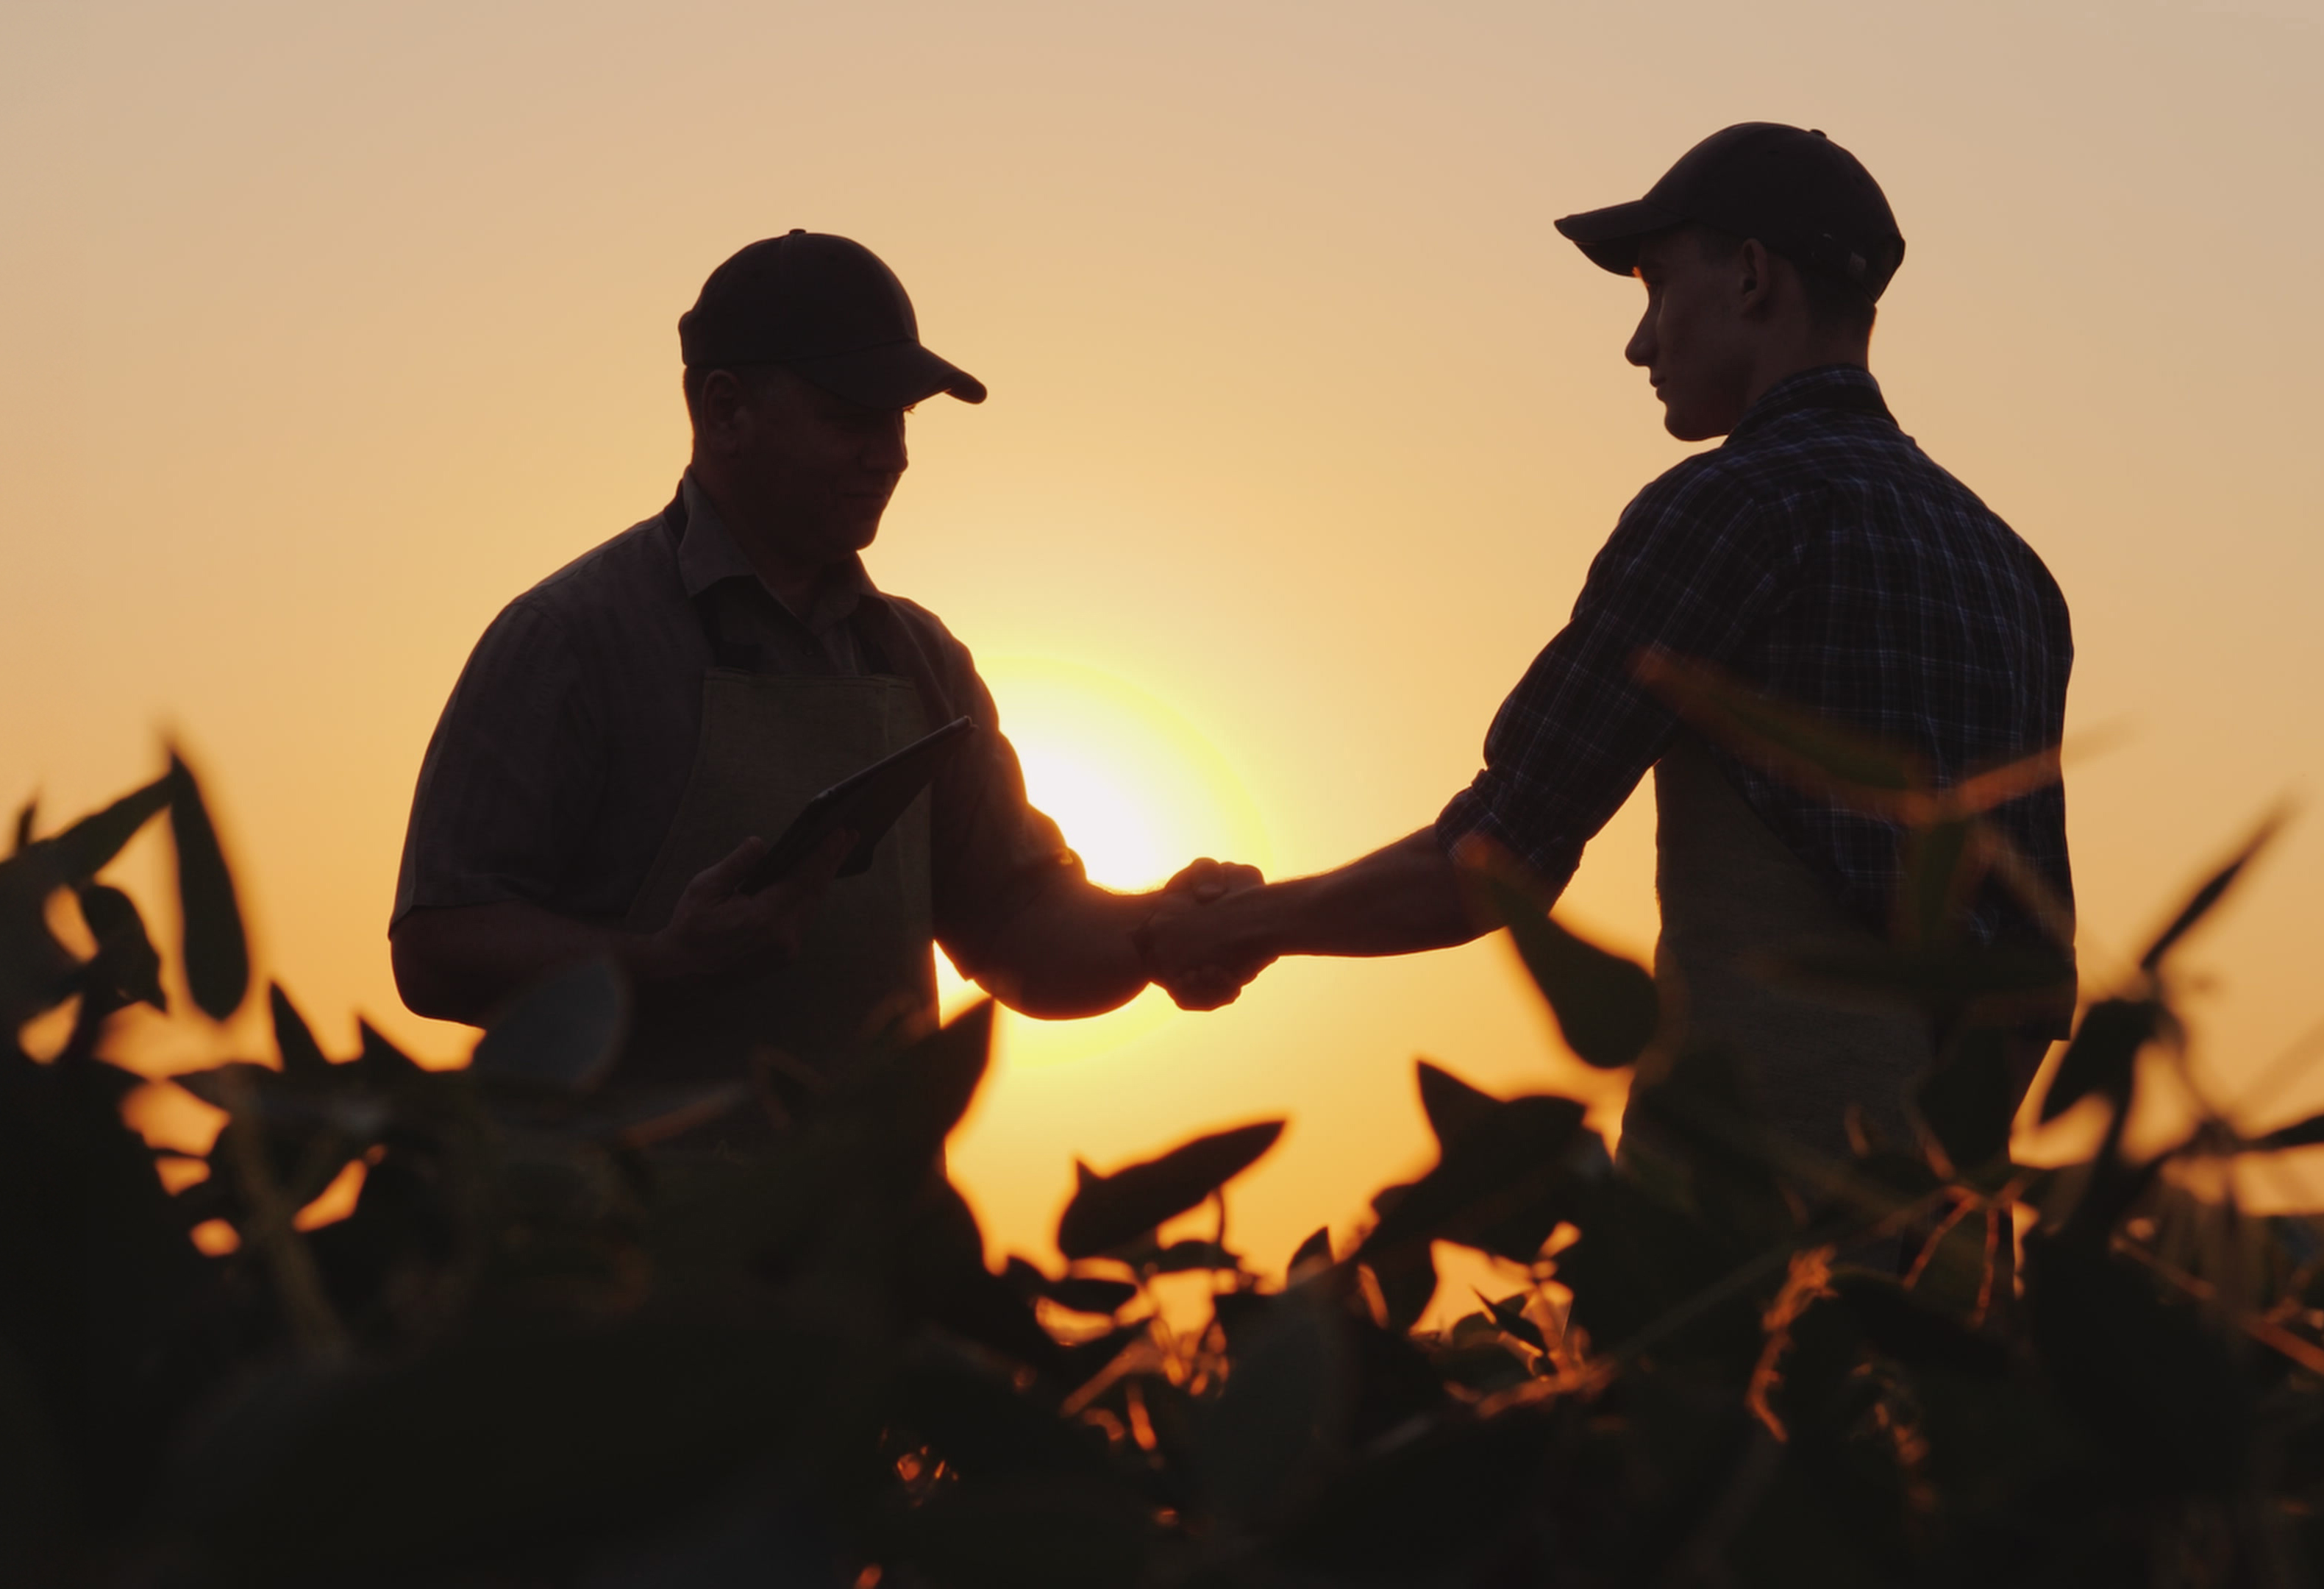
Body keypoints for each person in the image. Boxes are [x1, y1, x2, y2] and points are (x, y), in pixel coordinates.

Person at [1143, 124, 2078, 1158]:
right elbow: (2035, 975)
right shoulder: (2013, 571)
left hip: (1740, 1224)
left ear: (1752, 277)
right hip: (1946, 1259)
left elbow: (1495, 856)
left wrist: (1237, 927)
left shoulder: (1728, 510)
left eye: (1654, 285)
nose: (1639, 343)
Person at [390, 230, 1250, 1100]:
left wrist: (1160, 931)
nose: (893, 455)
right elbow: (434, 953)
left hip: (874, 1231)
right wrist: (657, 963)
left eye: (902, 420)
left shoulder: (922, 662)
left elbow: (1021, 934)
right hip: (620, 1230)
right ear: (725, 409)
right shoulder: (567, 642)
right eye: (851, 417)